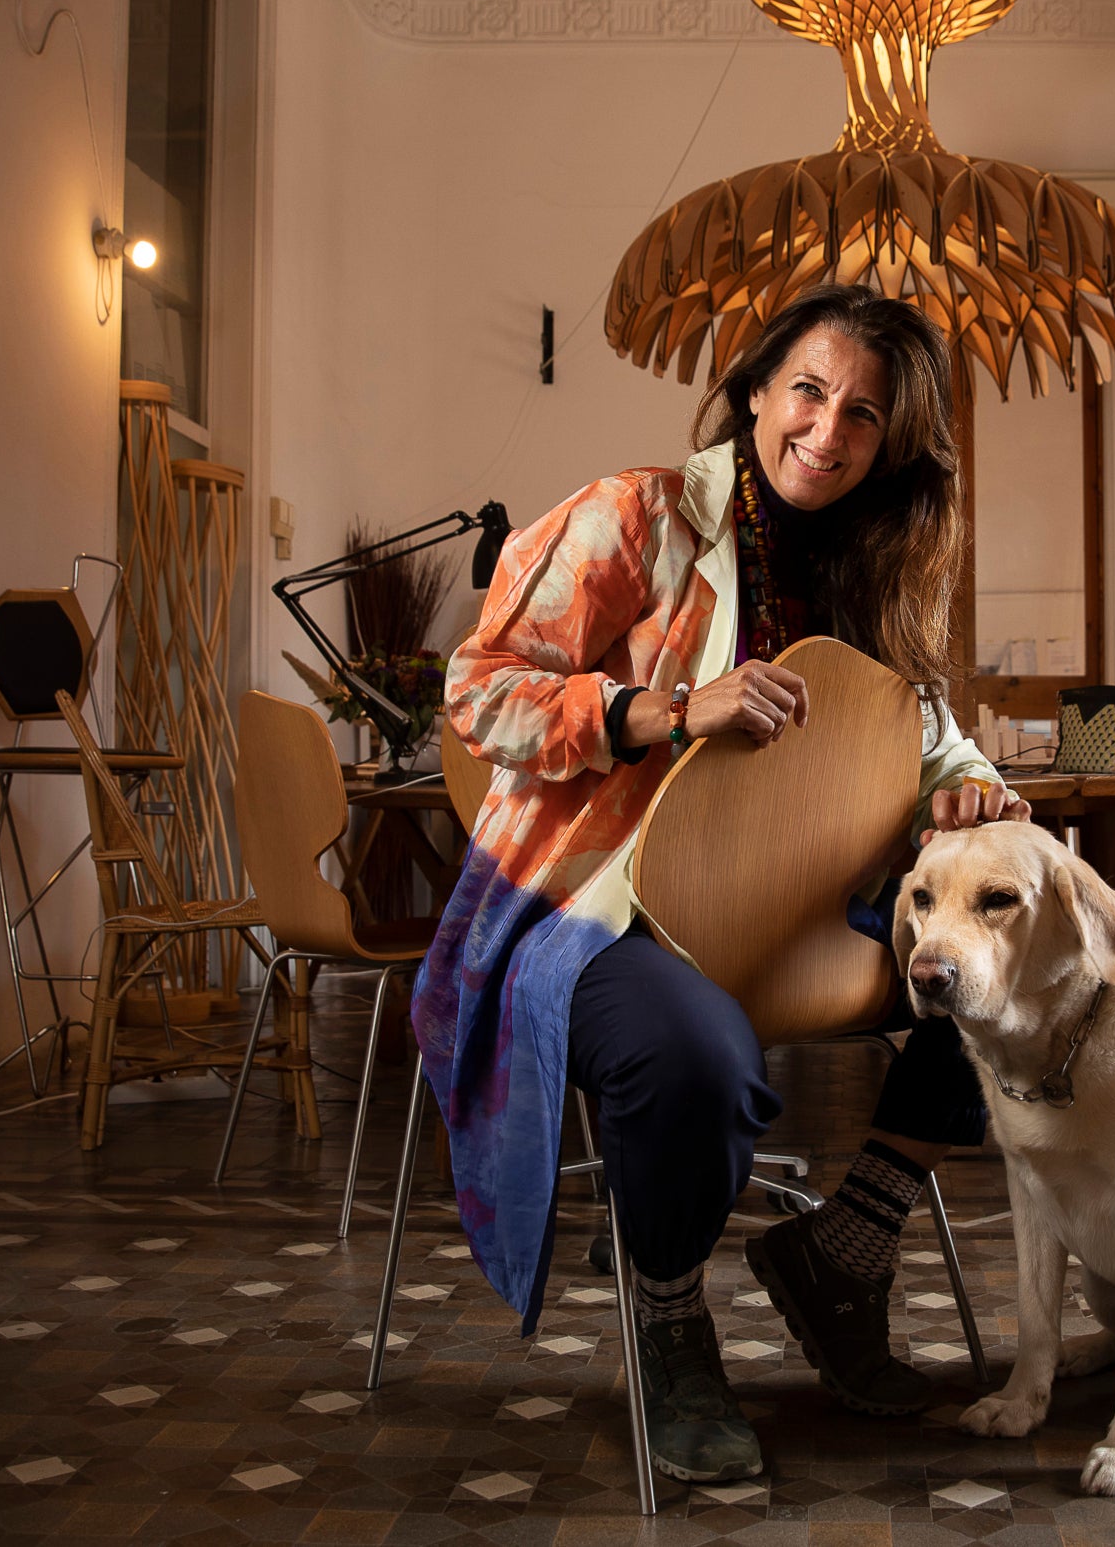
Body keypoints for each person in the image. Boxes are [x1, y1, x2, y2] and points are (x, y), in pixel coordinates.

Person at [410, 284, 1030, 1484]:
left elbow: (931, 732)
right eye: (808, 389)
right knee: (695, 1062)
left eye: (863, 415)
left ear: (891, 444)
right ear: (755, 391)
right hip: (601, 906)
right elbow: (478, 689)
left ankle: (844, 1249)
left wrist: (970, 787)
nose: (828, 430)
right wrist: (661, 710)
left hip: (796, 905)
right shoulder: (632, 518)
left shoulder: (878, 563)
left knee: (1030, 978)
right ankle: (669, 1310)